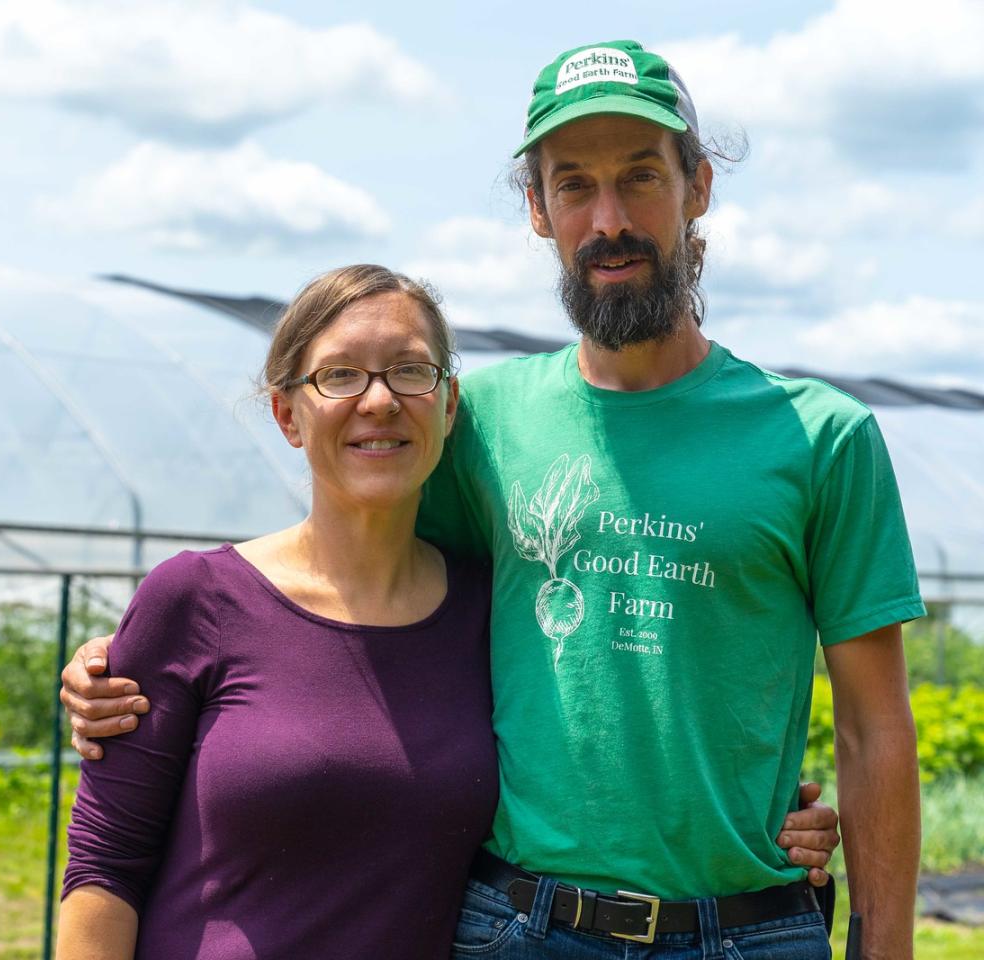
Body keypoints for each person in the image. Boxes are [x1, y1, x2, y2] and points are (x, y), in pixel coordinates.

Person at [64, 38, 916, 959]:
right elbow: (354, 581)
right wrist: (132, 659)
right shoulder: (483, 426)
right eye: (573, 185)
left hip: (750, 929)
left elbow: (875, 729)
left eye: (640, 178)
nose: (608, 219)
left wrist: (885, 942)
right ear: (537, 210)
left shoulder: (821, 438)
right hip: (525, 928)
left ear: (697, 187)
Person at [57, 265, 499, 958]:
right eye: (339, 375)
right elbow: (103, 870)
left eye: (411, 371)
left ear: (447, 406)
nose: (379, 400)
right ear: (288, 414)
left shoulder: (491, 614)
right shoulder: (196, 598)